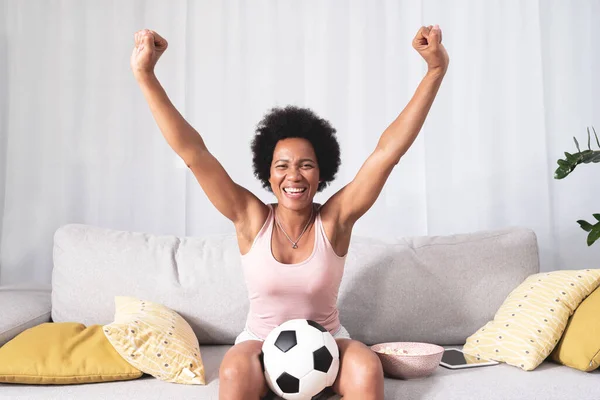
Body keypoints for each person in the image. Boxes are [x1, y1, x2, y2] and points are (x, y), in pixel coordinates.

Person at [131, 24, 449, 400]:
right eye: (282, 165)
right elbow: (194, 154)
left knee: (366, 365)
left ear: (322, 172)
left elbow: (387, 154)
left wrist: (434, 72)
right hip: (260, 345)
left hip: (326, 343)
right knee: (232, 369)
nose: (293, 176)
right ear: (267, 172)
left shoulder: (335, 220)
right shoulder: (250, 218)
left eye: (306, 165)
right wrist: (146, 75)